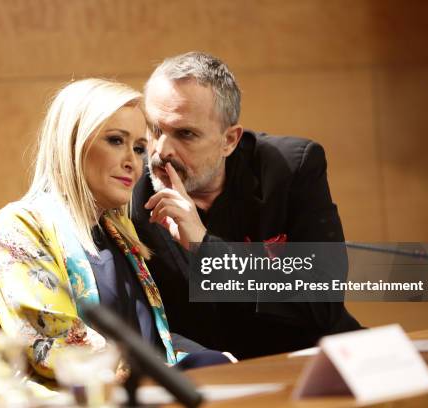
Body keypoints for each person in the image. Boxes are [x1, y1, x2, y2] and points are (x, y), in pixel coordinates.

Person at [0, 79, 229, 390]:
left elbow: (151, 343)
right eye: (115, 140)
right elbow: (54, 348)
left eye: (139, 148)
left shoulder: (120, 230)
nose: (133, 162)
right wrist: (162, 377)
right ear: (72, 143)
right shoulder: (20, 224)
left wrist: (213, 362)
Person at [132, 52, 361, 360]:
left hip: (312, 357)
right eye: (155, 130)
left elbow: (321, 302)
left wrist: (206, 247)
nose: (161, 151)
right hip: (213, 374)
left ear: (230, 140)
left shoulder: (288, 168)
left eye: (185, 134)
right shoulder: (132, 192)